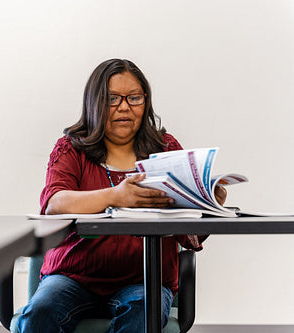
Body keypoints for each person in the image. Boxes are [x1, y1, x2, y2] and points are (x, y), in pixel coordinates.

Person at [17, 59, 226, 333]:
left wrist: (206, 207)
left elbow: (188, 233)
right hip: (72, 277)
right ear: (94, 102)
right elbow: (55, 203)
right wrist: (116, 196)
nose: (124, 107)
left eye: (134, 97)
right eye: (112, 98)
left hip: (145, 280)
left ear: (146, 101)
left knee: (141, 313)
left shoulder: (165, 149)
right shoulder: (71, 148)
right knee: (38, 315)